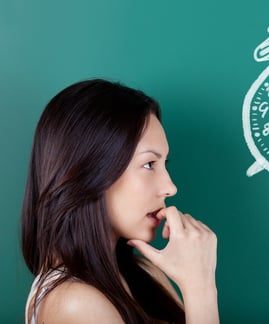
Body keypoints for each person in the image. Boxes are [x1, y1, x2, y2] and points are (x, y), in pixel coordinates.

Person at [21, 79, 219, 323]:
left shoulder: (145, 273)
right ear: (90, 172)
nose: (170, 187)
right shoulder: (75, 303)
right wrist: (201, 288)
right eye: (149, 164)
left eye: (164, 164)